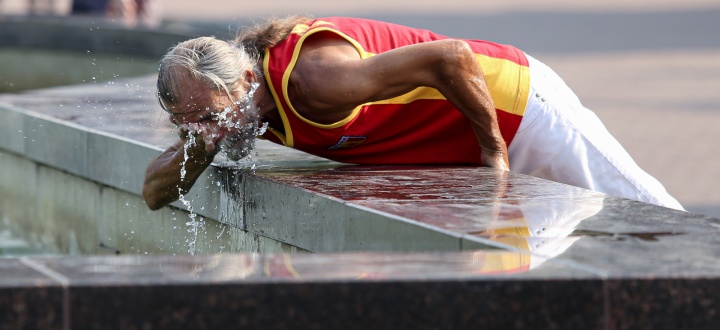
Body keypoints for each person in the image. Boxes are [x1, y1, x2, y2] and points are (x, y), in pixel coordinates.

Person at [142, 15, 684, 211]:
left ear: (245, 79)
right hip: (463, 143)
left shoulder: (313, 79)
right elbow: (152, 193)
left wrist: (493, 157)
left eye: (211, 117)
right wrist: (202, 143)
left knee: (645, 214)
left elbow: (451, 58)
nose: (206, 132)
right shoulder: (235, 111)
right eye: (190, 124)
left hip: (515, 106)